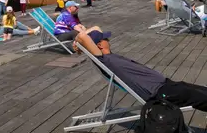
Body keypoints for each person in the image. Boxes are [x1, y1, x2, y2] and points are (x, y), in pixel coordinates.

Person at [74, 31, 207, 111]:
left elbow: (94, 29)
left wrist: (82, 43)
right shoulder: (104, 60)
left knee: (202, 90)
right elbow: (82, 35)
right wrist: (78, 42)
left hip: (166, 84)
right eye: (105, 39)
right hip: (159, 92)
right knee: (202, 98)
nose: (108, 40)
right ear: (99, 45)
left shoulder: (108, 55)